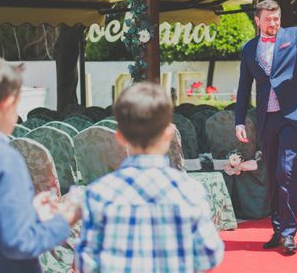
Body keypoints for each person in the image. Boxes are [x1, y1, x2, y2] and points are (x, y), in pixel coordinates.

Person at [0, 56, 79, 273]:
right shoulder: (6, 160)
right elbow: (18, 243)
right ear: (7, 103)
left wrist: (31, 213)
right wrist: (65, 220)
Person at [75, 82, 223, 272]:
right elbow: (208, 257)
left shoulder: (98, 193)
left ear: (119, 137)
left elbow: (85, 263)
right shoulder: (190, 191)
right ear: (169, 134)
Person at [234, 0, 297, 255]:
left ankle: (288, 234)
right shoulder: (249, 49)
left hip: (291, 117)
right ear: (257, 20)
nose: (273, 23)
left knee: (287, 171)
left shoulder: (294, 36)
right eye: (268, 19)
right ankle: (277, 229)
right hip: (266, 118)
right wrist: (239, 120)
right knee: (272, 174)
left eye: (276, 18)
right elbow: (243, 88)